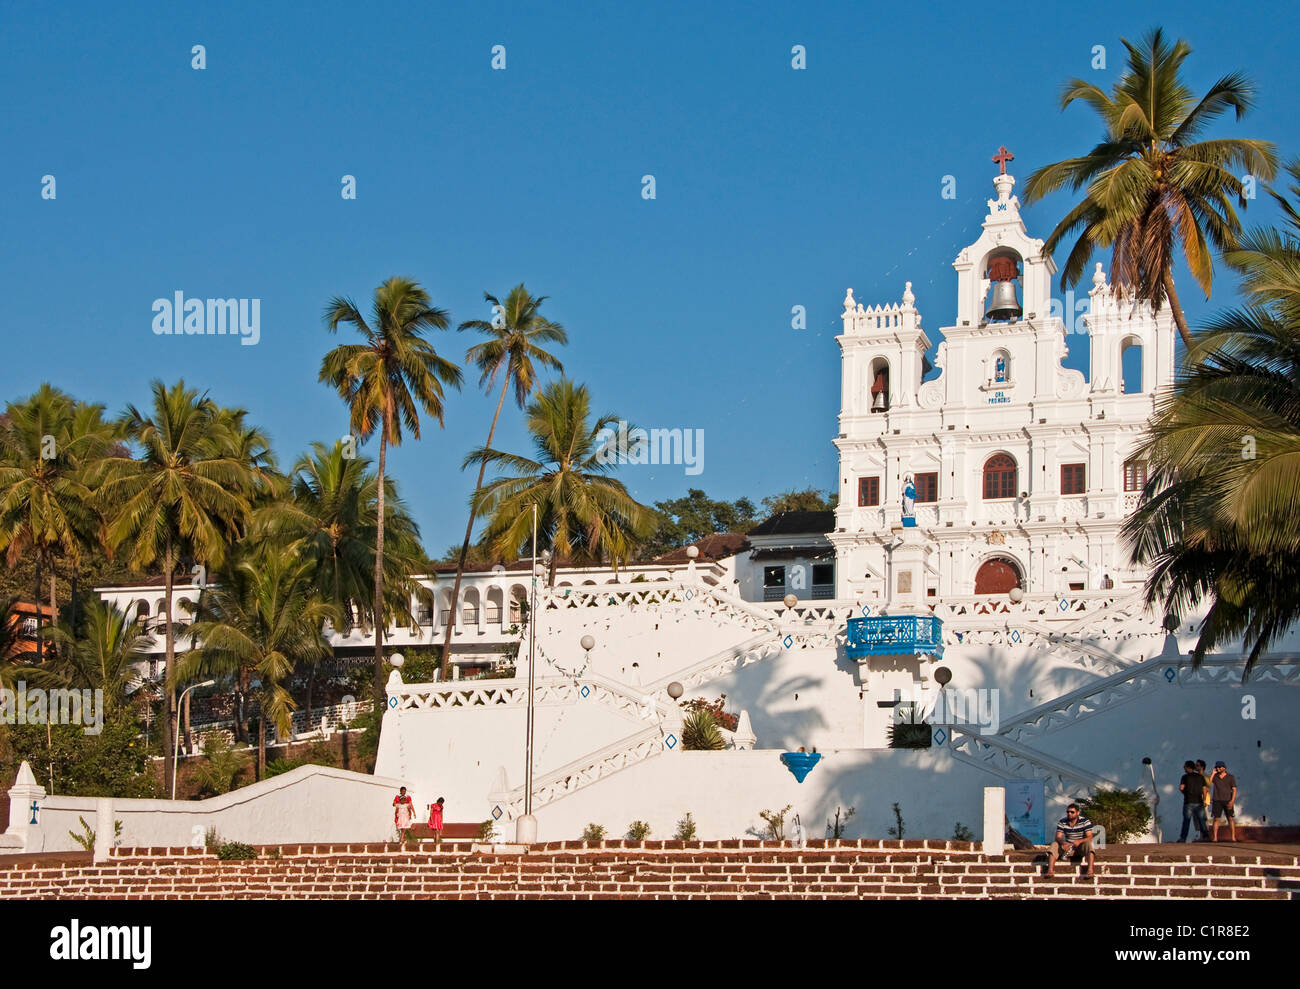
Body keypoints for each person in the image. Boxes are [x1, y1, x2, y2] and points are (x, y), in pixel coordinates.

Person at [1046, 803, 1095, 878]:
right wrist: (1063, 843)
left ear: (1077, 813)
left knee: (1089, 844)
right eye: (1068, 812)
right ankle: (1050, 870)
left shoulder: (1085, 821)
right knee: (1054, 844)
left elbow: (1090, 837)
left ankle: (1090, 870)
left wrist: (1079, 841)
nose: (1069, 814)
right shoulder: (1062, 822)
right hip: (1068, 846)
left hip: (1080, 846)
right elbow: (1058, 837)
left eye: (1072, 812)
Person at [1178, 760, 1210, 842]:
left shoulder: (1184, 777)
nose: (1184, 768)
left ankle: (1183, 838)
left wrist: (1185, 793)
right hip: (1199, 801)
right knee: (1202, 820)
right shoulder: (1200, 777)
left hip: (1188, 802)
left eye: (1185, 766)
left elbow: (1181, 788)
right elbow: (1205, 789)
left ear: (1188, 767)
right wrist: (1204, 799)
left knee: (1186, 821)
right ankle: (1206, 837)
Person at [1210, 762, 1238, 842]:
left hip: (1227, 800)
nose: (1218, 769)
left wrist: (1232, 801)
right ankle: (1215, 837)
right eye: (1217, 767)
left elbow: (1234, 790)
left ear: (1224, 768)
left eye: (1219, 767)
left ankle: (1233, 837)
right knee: (1216, 819)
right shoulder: (1215, 776)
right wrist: (1213, 773)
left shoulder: (1230, 777)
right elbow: (1209, 783)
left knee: (1230, 818)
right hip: (1217, 800)